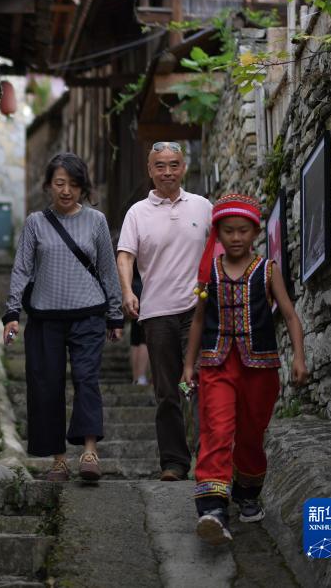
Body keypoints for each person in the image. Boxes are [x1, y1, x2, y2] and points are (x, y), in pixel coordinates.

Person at [181, 194, 308, 544]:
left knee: (251, 435)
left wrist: (299, 356)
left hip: (260, 367)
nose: (236, 238)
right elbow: (197, 321)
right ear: (217, 234)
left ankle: (247, 493)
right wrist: (188, 366)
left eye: (243, 231)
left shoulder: (268, 270)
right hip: (216, 364)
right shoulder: (209, 273)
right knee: (217, 430)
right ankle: (212, 508)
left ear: (255, 232)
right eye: (228, 231)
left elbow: (289, 314)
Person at [2, 153, 124, 482]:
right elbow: (21, 269)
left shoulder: (96, 222)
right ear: (48, 186)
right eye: (59, 183)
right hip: (44, 317)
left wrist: (115, 314)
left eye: (73, 184)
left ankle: (89, 451)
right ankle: (59, 461)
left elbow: (107, 270)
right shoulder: (35, 223)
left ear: (83, 188)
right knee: (46, 385)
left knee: (86, 379)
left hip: (88, 315)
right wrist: (12, 312)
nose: (66, 190)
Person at [116, 142, 212, 481]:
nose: (167, 172)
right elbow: (125, 255)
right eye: (160, 166)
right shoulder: (137, 213)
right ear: (150, 169)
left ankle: (208, 459)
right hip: (156, 313)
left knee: (199, 383)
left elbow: (217, 252)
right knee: (168, 390)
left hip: (197, 311)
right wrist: (128, 291)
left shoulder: (203, 207)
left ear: (184, 167)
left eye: (173, 164)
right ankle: (174, 461)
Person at [129, 265, 150, 385]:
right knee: (143, 339)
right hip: (144, 291)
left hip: (132, 292)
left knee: (135, 338)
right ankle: (141, 376)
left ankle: (136, 377)